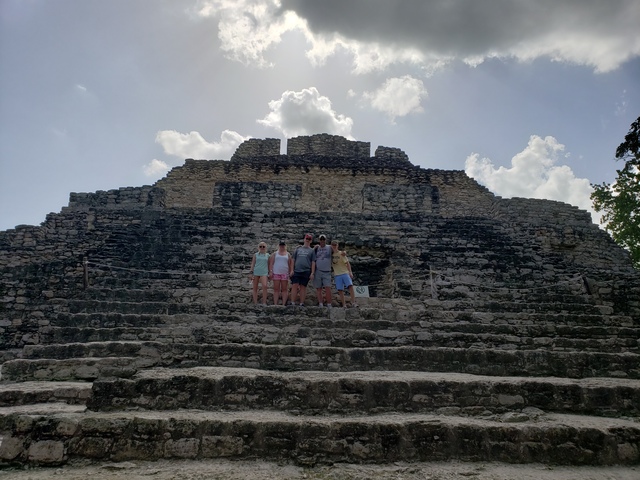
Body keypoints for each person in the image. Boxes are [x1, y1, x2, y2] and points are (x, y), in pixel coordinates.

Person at [289, 233, 316, 306]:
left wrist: (312, 273)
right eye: (306, 238)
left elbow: (313, 262)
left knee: (303, 287)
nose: (307, 240)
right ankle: (292, 302)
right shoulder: (298, 249)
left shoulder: (312, 251)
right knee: (295, 285)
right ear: (304, 239)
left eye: (309, 239)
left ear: (311, 241)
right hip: (297, 270)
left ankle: (301, 303)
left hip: (306, 270)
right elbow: (293, 260)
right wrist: (291, 270)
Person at [331, 240, 357, 308]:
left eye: (335, 245)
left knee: (350, 286)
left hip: (344, 272)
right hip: (337, 274)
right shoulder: (330, 255)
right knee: (340, 290)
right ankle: (344, 304)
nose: (334, 247)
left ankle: (353, 302)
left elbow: (347, 263)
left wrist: (350, 272)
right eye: (333, 245)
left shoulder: (341, 254)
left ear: (337, 246)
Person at [269, 240, 293, 305]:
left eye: (283, 245)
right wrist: (270, 271)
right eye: (281, 245)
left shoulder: (288, 254)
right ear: (279, 246)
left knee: (284, 289)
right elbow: (271, 263)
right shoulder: (275, 254)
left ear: (285, 246)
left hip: (285, 273)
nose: (282, 246)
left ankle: (283, 303)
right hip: (276, 272)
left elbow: (290, 263)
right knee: (276, 289)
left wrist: (291, 271)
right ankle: (275, 303)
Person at [313, 234, 333, 307]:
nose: (322, 241)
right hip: (318, 270)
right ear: (319, 240)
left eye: (323, 239)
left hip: (327, 271)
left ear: (325, 240)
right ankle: (320, 303)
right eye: (321, 240)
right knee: (318, 288)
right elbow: (311, 254)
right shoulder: (316, 248)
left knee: (328, 288)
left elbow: (336, 251)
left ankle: (329, 303)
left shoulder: (329, 247)